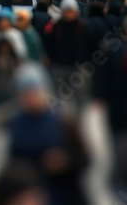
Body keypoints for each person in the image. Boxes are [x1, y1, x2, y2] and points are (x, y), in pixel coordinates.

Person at [6, 63, 89, 205]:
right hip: (28, 195)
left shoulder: (63, 118)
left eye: (33, 92)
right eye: (24, 93)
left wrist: (65, 161)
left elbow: (85, 159)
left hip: (62, 193)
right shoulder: (14, 120)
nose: (29, 98)